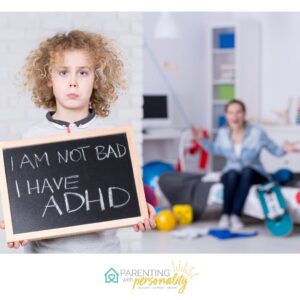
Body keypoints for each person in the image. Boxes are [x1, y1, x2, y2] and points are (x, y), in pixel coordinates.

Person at [0, 30, 156, 253]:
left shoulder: (113, 140)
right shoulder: (31, 140)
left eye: (83, 73)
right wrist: (18, 227)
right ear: (48, 80)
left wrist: (145, 208)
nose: (73, 82)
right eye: (63, 73)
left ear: (96, 80)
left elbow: (135, 193)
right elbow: (27, 204)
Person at [193, 99, 297, 230]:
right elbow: (215, 149)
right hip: (232, 172)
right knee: (231, 174)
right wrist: (201, 140)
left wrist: (285, 148)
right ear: (226, 115)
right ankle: (225, 215)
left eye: (238, 112)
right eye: (230, 113)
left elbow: (275, 150)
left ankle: (235, 215)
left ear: (244, 114)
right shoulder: (223, 133)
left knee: (246, 171)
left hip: (254, 172)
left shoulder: (257, 132)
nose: (234, 116)